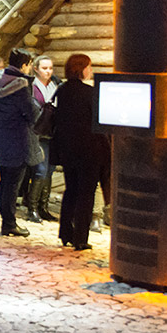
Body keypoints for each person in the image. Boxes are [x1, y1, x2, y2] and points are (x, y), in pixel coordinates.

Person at [54, 54, 108, 251]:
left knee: (71, 190)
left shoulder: (62, 91)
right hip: (89, 150)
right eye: (89, 67)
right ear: (81, 69)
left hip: (68, 150)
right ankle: (80, 238)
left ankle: (65, 233)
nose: (90, 70)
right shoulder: (90, 93)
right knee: (86, 193)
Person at [0, 49, 39, 236]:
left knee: (6, 181)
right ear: (24, 65)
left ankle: (6, 219)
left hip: (2, 137)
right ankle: (9, 223)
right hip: (19, 140)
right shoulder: (20, 86)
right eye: (30, 64)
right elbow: (31, 113)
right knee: (13, 183)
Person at [26, 55, 60, 221]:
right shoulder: (32, 86)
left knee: (50, 170)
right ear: (36, 69)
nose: (48, 71)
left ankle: (43, 206)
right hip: (37, 132)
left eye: (50, 68)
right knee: (40, 169)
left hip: (52, 132)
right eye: (44, 68)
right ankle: (32, 208)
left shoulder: (55, 85)